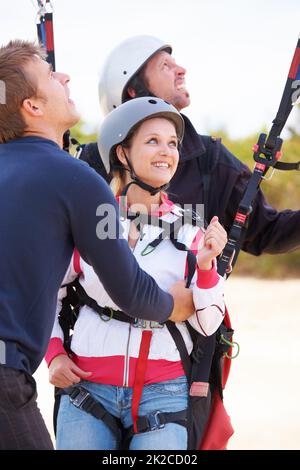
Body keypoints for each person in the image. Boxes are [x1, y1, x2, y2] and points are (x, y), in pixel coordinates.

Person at [78, 35, 300, 449]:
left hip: (181, 371)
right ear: (133, 91)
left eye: (172, 144)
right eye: (165, 66)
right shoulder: (91, 163)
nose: (181, 70)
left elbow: (267, 231)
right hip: (94, 374)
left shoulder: (211, 161)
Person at [0, 40, 194, 450]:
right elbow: (133, 292)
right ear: (32, 106)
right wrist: (174, 304)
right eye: (51, 75)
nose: (65, 76)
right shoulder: (77, 180)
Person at [46, 97, 228, 450]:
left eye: (172, 143)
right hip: (87, 388)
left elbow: (208, 323)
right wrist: (53, 353)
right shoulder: (90, 219)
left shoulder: (192, 227)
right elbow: (46, 294)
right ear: (122, 153)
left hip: (165, 393)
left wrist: (206, 266)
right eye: (152, 141)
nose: (167, 151)